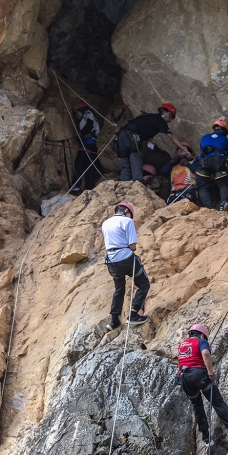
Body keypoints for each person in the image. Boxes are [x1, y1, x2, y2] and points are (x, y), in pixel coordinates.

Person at [177, 323, 228, 445]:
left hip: (184, 378)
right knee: (217, 403)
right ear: (201, 335)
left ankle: (206, 438)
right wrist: (211, 373)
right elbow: (205, 353)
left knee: (197, 406)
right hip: (199, 375)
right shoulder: (200, 341)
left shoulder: (182, 345)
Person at [101, 201, 152, 329]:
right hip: (126, 259)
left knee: (119, 289)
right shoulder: (127, 222)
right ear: (125, 211)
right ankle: (133, 315)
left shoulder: (105, 223)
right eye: (130, 214)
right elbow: (133, 246)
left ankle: (114, 321)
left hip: (111, 261)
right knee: (144, 283)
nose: (130, 217)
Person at [117, 103, 193, 181]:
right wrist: (185, 150)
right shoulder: (159, 120)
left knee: (125, 163)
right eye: (170, 116)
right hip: (132, 136)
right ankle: (137, 181)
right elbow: (171, 137)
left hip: (122, 135)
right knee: (136, 158)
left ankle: (123, 182)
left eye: (172, 119)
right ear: (163, 111)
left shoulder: (150, 117)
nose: (169, 120)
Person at [194, 118, 228, 211]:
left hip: (204, 162)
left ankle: (209, 208)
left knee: (202, 187)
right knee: (223, 184)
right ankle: (223, 203)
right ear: (225, 131)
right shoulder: (226, 141)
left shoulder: (204, 138)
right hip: (218, 162)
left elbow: (202, 153)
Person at [70, 102, 102, 193]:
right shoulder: (88, 116)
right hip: (91, 143)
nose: (77, 116)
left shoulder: (88, 113)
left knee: (78, 163)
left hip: (88, 143)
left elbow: (89, 124)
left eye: (77, 113)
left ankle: (76, 184)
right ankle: (89, 187)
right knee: (89, 166)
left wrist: (80, 133)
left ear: (81, 110)